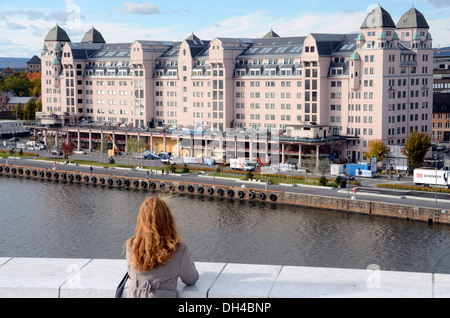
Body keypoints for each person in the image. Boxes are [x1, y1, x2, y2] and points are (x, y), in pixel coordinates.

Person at [124, 197, 199, 298]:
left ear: (142, 220)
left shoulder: (132, 245)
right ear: (168, 220)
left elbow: (130, 273)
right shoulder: (179, 250)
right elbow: (191, 279)